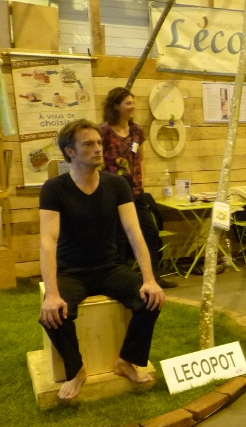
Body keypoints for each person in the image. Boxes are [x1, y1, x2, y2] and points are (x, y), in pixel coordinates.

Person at [39, 119, 165, 400]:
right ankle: (76, 370)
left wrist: (149, 279)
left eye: (99, 143)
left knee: (151, 299)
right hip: (71, 271)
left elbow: (134, 232)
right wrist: (52, 293)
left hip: (109, 268)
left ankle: (126, 361)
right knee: (52, 315)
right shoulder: (54, 188)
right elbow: (48, 242)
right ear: (70, 152)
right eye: (88, 144)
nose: (98, 148)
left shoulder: (117, 184)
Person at [101, 87, 177, 289]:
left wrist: (141, 179)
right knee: (118, 237)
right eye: (127, 103)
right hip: (113, 193)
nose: (132, 106)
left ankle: (153, 276)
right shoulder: (105, 131)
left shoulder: (136, 131)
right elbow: (99, 160)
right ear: (116, 106)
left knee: (150, 232)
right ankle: (120, 278)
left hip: (135, 191)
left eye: (133, 102)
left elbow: (141, 158)